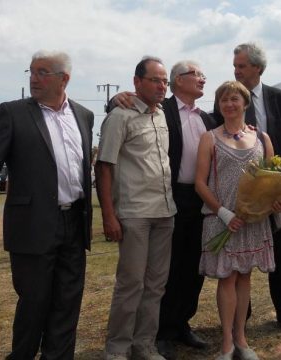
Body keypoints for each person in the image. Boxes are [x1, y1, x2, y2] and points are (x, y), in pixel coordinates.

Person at [0, 50, 94, 358]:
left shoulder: (84, 115)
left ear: (64, 79)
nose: (34, 78)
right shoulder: (13, 113)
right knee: (34, 301)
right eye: (31, 71)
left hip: (74, 222)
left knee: (68, 301)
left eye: (43, 72)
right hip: (33, 224)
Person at [109, 60, 217, 359]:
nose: (202, 79)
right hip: (168, 198)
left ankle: (182, 322)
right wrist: (113, 99)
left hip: (200, 199)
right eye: (196, 74)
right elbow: (130, 111)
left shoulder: (206, 118)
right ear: (178, 80)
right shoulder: (161, 110)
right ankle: (162, 332)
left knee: (193, 267)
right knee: (163, 272)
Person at [215, 42, 281, 337]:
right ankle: (243, 315)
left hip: (274, 196)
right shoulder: (228, 98)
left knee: (280, 254)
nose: (236, 70)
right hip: (238, 197)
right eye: (235, 65)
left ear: (258, 68)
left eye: (241, 65)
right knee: (240, 256)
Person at [196, 80, 281, 360]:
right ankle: (226, 343)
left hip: (253, 221)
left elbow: (274, 182)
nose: (229, 104)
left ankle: (242, 339)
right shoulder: (209, 137)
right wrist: (224, 213)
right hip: (221, 219)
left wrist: (276, 202)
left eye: (235, 99)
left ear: (245, 104)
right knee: (227, 278)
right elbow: (200, 182)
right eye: (224, 100)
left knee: (244, 277)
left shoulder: (262, 139)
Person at [97, 56, 176, 360]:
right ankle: (117, 349)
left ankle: (144, 345)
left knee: (156, 285)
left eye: (165, 81)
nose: (161, 86)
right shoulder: (121, 115)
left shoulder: (162, 114)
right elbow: (104, 167)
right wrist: (108, 214)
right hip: (133, 214)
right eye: (156, 80)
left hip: (165, 211)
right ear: (137, 82)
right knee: (130, 284)